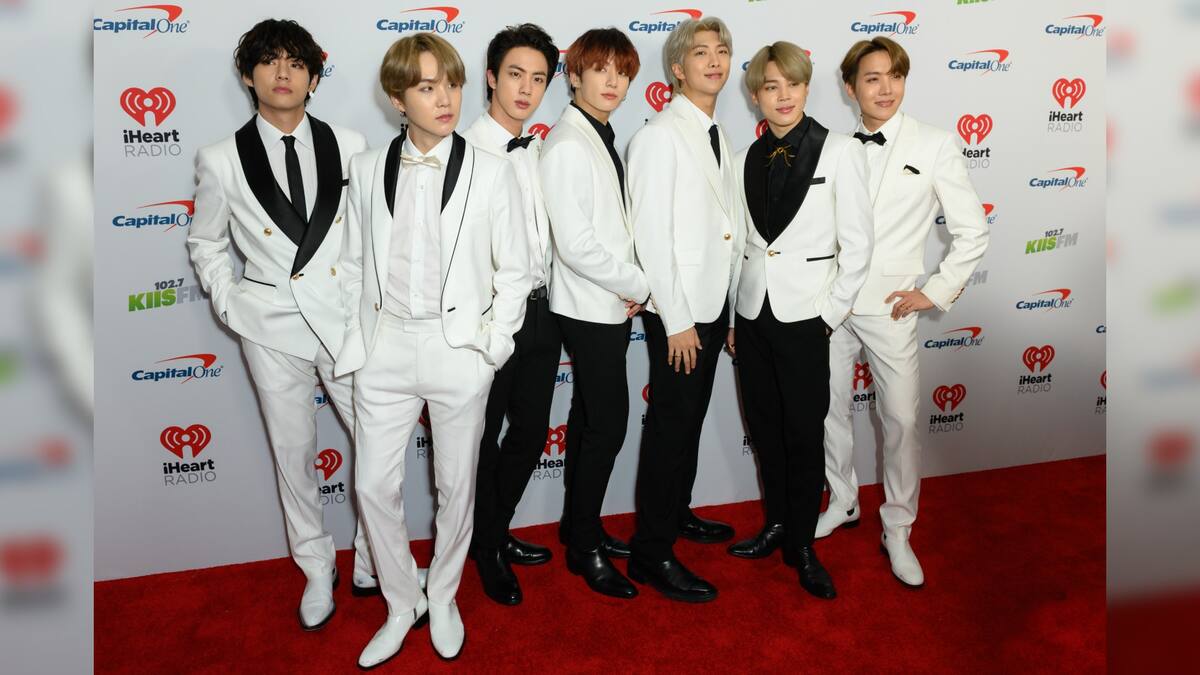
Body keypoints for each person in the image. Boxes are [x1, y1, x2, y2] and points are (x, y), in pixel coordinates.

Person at [335, 33, 531, 666]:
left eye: (451, 84)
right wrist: (358, 340)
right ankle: (401, 602)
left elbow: (517, 270)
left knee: (456, 487)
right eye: (426, 87)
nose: (445, 98)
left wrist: (490, 347)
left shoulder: (493, 170)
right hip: (385, 347)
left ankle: (442, 595)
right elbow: (351, 263)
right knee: (371, 486)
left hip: (458, 350)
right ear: (398, 99)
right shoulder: (367, 169)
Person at [186, 18, 377, 632]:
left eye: (296, 62)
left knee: (377, 444)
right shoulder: (220, 158)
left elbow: (368, 234)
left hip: (343, 320)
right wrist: (229, 302)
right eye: (269, 61)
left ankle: (374, 557)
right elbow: (206, 242)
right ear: (248, 76)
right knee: (294, 454)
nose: (283, 73)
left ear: (315, 77)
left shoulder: (350, 144)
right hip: (269, 324)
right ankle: (317, 567)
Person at [819, 36, 990, 588]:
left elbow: (972, 230)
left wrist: (934, 292)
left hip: (891, 307)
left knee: (902, 420)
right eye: (872, 78)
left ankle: (897, 526)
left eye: (894, 75)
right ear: (851, 88)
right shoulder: (831, 147)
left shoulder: (935, 144)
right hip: (831, 305)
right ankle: (842, 499)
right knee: (828, 410)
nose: (886, 87)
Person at [726, 41, 874, 600]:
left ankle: (804, 545)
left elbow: (858, 247)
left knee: (805, 435)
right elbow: (743, 245)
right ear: (756, 96)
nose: (782, 96)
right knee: (765, 430)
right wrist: (736, 316)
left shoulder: (840, 151)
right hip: (753, 316)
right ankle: (777, 525)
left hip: (808, 318)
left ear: (807, 88)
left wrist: (827, 317)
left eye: (791, 84)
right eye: (771, 87)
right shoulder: (746, 156)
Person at [625, 16, 739, 603]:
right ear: (677, 68)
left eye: (722, 51)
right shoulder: (658, 136)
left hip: (713, 307)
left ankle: (677, 512)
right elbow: (651, 237)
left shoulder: (718, 133)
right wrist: (676, 321)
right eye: (700, 53)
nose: (714, 61)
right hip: (681, 315)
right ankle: (651, 552)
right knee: (671, 428)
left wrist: (730, 315)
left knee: (688, 422)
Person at [539, 27, 647, 600]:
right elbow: (576, 245)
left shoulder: (599, 134)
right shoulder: (566, 145)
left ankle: (579, 527)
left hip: (605, 301)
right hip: (588, 306)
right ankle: (584, 546)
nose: (612, 81)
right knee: (607, 425)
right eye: (600, 69)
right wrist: (640, 284)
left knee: (588, 421)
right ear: (574, 75)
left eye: (622, 72)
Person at [460, 23, 561, 607]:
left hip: (541, 312)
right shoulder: (462, 151)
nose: (526, 89)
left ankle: (494, 532)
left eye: (539, 79)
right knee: (480, 438)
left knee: (530, 432)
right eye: (516, 75)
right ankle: (485, 545)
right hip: (488, 316)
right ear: (491, 78)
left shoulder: (539, 149)